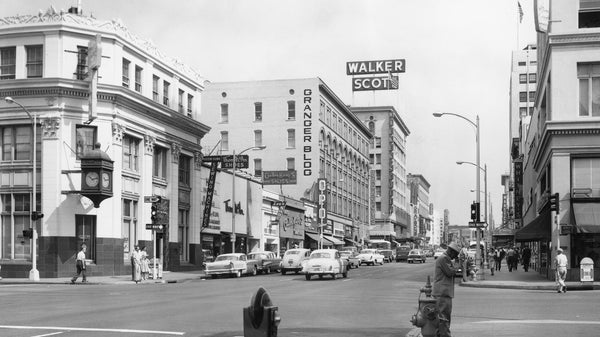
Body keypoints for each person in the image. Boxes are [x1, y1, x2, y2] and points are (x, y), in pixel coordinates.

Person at [433, 241, 460, 337]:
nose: (455, 257)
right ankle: (445, 335)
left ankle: (441, 334)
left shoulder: (445, 258)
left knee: (443, 317)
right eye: (455, 255)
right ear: (451, 252)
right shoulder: (444, 258)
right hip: (442, 293)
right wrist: (457, 264)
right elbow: (450, 272)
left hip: (443, 292)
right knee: (444, 318)